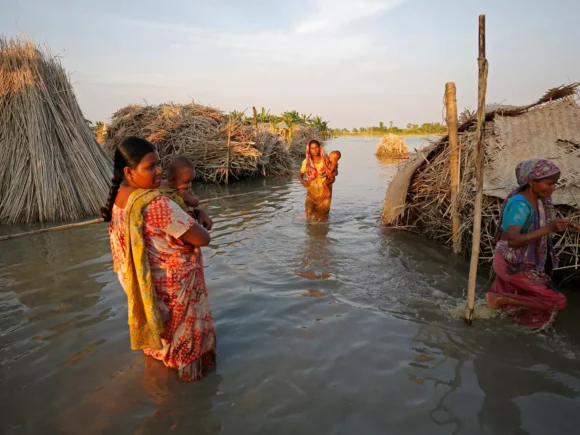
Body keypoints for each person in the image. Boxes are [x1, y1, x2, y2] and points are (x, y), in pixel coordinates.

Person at [101, 136, 217, 381]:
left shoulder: (120, 200)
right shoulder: (156, 204)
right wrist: (199, 216)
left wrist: (197, 210)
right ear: (128, 172)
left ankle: (158, 386)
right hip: (174, 289)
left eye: (159, 164)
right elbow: (202, 238)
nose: (159, 171)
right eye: (150, 167)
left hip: (148, 289)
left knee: (160, 342)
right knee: (183, 342)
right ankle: (189, 396)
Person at [486, 158, 579, 328]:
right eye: (549, 183)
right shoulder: (519, 205)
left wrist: (571, 224)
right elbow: (513, 240)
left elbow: (540, 223)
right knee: (557, 301)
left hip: (520, 261)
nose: (553, 188)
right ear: (531, 182)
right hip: (512, 262)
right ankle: (499, 299)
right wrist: (550, 228)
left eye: (555, 184)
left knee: (511, 312)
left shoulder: (538, 200)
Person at [297, 140, 338, 220]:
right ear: (309, 150)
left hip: (325, 193)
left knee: (322, 218)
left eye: (316, 147)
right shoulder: (306, 162)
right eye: (312, 148)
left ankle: (323, 231)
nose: (315, 150)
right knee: (308, 216)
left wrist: (331, 174)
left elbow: (335, 172)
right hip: (311, 192)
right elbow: (300, 174)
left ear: (320, 147)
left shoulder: (327, 160)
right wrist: (302, 181)